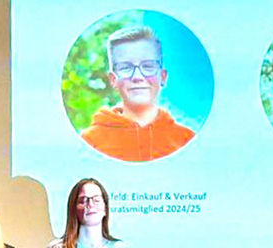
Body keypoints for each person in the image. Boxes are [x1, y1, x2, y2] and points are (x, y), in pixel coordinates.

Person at [80, 25, 196, 162]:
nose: (137, 76)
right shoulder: (89, 141)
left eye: (148, 66)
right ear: (113, 80)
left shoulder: (186, 139)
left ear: (163, 77)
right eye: (125, 67)